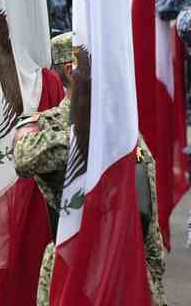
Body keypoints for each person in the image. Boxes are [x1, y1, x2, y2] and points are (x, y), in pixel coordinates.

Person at [12, 32, 166, 306]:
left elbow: (145, 204)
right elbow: (24, 157)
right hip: (75, 268)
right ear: (72, 70)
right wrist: (85, 135)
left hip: (127, 266)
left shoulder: (121, 125)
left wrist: (153, 277)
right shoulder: (48, 123)